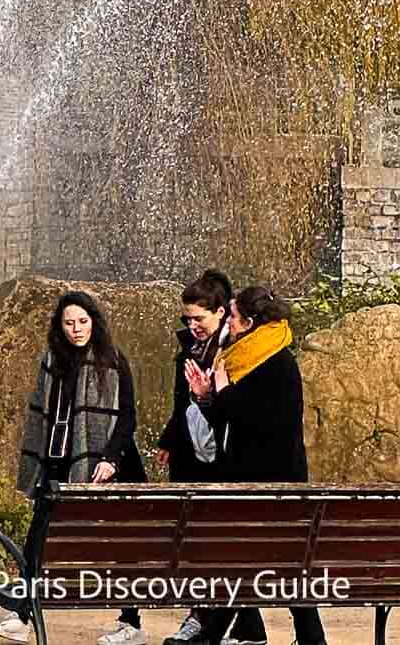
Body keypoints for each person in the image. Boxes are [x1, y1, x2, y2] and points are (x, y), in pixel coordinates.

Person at [0, 290, 147, 645]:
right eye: (69, 323)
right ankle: (21, 616)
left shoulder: (113, 360)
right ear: (60, 327)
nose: (77, 329)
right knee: (37, 540)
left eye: (83, 322)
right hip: (58, 463)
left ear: (95, 321)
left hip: (104, 467)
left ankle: (131, 623)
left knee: (120, 545)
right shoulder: (52, 361)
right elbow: (42, 417)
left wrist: (109, 458)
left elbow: (127, 418)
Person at [188, 287, 326, 645]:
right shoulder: (255, 356)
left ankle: (215, 633)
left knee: (245, 561)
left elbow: (260, 422)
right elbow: (234, 418)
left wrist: (221, 392)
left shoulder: (270, 362)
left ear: (250, 323)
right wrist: (209, 397)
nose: (228, 324)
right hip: (272, 485)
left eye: (232, 317)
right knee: (264, 564)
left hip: (267, 486)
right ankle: (308, 639)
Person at [158, 271, 234, 645]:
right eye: (187, 319)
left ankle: (204, 619)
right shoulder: (189, 347)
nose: (192, 325)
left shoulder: (233, 350)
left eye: (199, 318)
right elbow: (180, 400)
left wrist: (207, 397)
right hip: (189, 452)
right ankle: (238, 625)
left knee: (210, 543)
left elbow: (230, 408)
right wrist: (170, 439)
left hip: (220, 458)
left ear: (221, 312)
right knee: (194, 539)